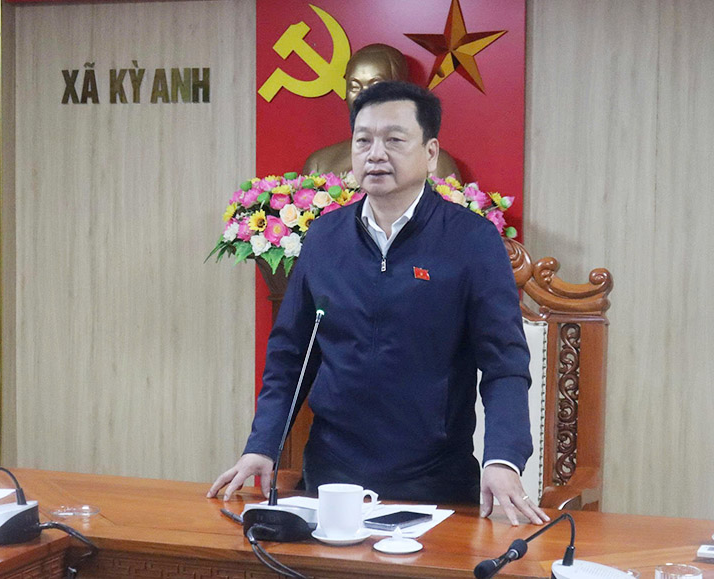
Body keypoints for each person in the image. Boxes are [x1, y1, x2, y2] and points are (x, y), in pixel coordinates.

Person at [209, 81, 548, 526]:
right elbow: (291, 355)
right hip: (331, 479)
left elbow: (504, 363)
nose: (375, 154)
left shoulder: (472, 241)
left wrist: (502, 459)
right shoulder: (325, 238)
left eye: (394, 140)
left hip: (435, 484)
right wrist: (263, 445)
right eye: (363, 140)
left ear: (430, 153)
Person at [301, 44, 461, 180]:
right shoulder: (319, 164)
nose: (363, 96)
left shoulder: (433, 163)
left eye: (376, 85)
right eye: (354, 86)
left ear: (401, 91)